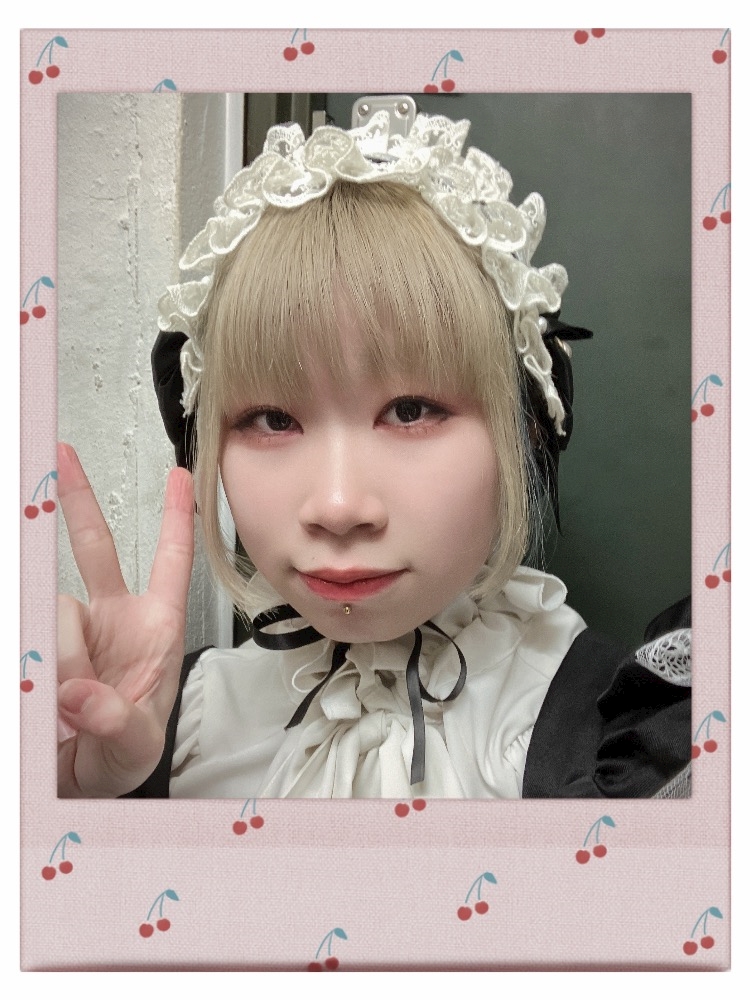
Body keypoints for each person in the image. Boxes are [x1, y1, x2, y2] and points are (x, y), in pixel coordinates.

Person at [57, 112, 690, 800]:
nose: (337, 507)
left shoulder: (630, 743)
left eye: (411, 411)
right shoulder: (162, 724)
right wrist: (85, 801)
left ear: (525, 430)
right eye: (273, 419)